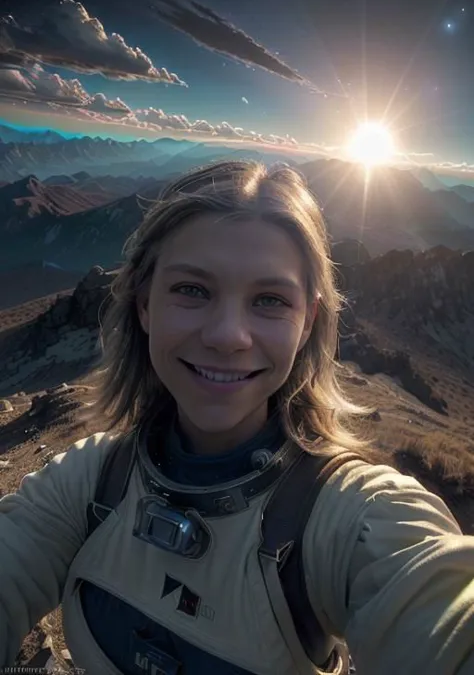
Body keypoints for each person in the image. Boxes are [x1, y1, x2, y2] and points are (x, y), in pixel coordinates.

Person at [0, 160, 473, 675]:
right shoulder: (87, 482)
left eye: (270, 300)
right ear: (143, 305)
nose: (229, 336)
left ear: (307, 323)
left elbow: (439, 607)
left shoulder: (357, 518)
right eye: (192, 290)